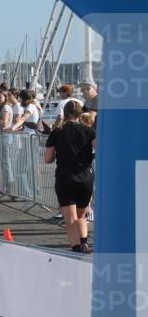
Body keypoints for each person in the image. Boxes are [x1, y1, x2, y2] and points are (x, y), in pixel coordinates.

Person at [45, 100, 95, 253]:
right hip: (85, 177)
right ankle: (84, 243)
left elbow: (47, 159)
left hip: (65, 177)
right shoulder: (89, 131)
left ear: (64, 114)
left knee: (70, 219)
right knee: (82, 215)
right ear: (80, 114)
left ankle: (75, 247)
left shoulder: (57, 132)